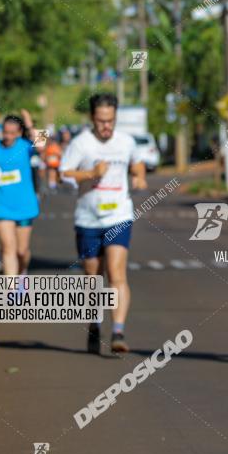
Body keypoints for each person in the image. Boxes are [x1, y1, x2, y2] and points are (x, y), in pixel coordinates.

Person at [61, 93, 147, 355]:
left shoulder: (126, 142)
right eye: (101, 121)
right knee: (92, 278)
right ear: (92, 118)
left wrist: (139, 177)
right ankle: (94, 324)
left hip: (118, 216)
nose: (106, 126)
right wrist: (90, 173)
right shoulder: (80, 144)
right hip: (88, 219)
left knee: (116, 272)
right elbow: (64, 173)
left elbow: (138, 163)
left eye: (110, 120)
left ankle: (118, 331)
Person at [0, 114, 40, 276]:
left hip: (25, 205)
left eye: (12, 133)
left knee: (21, 251)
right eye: (5, 132)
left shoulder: (25, 146)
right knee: (8, 248)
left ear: (18, 133)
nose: (7, 136)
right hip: (0, 204)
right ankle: (12, 290)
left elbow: (43, 143)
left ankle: (22, 271)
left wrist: (29, 123)